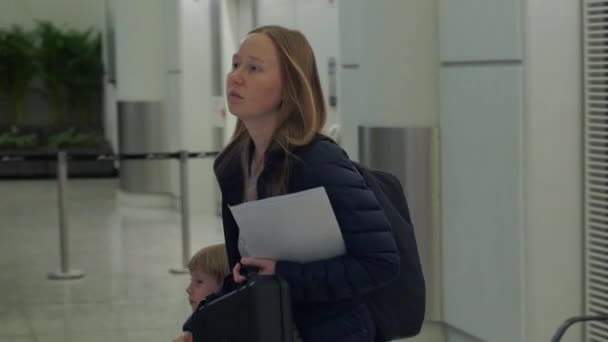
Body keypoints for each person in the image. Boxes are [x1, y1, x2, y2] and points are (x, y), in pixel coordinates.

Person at [214, 25, 400, 342]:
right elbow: (242, 266)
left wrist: (283, 275)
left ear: (290, 86)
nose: (236, 77)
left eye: (254, 68)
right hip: (273, 326)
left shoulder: (318, 163)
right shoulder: (233, 165)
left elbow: (380, 263)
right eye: (235, 64)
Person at [173, 243, 230, 342]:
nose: (188, 289)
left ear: (224, 287)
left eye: (199, 282)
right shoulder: (196, 324)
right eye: (191, 280)